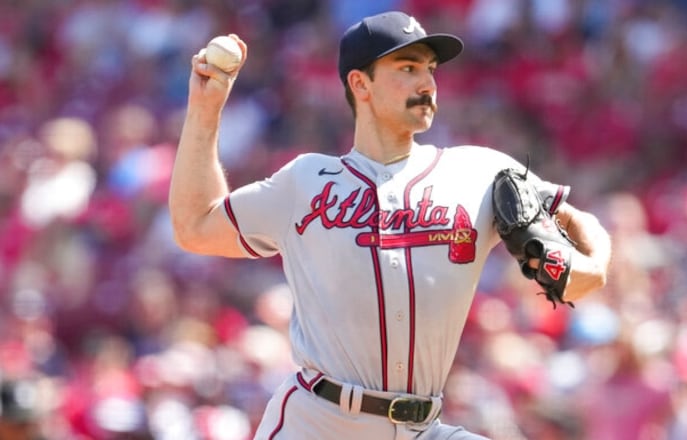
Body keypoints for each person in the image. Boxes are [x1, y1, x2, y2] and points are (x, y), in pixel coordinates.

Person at [169, 10, 611, 440]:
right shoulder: (304, 182)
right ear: (360, 83)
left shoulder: (480, 172)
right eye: (407, 67)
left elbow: (581, 228)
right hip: (320, 424)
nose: (427, 83)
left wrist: (588, 269)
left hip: (422, 426)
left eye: (431, 69)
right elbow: (196, 225)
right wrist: (205, 111)